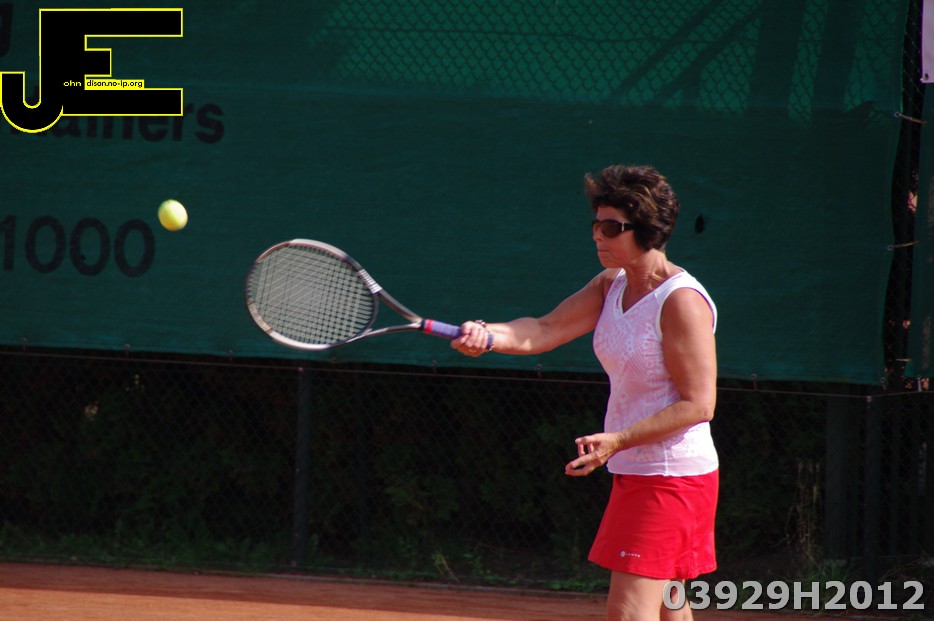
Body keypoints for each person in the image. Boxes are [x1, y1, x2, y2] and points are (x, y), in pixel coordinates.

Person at [452, 164, 718, 621]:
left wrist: (618, 439)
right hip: (638, 470)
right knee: (669, 609)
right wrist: (488, 334)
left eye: (612, 228)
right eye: (596, 224)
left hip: (671, 477)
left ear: (647, 229)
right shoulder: (611, 285)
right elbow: (544, 329)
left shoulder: (680, 301)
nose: (598, 235)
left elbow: (699, 404)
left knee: (629, 613)